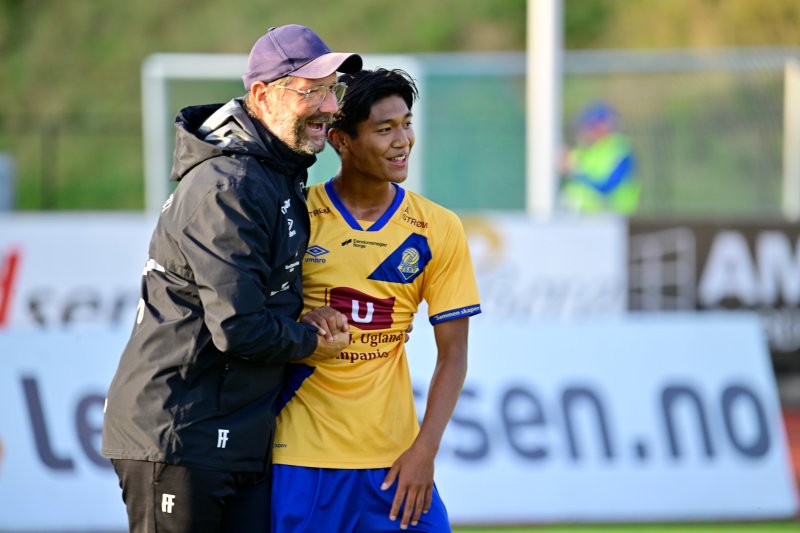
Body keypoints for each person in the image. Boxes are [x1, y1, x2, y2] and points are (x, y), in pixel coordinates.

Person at [100, 24, 361, 533]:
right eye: (313, 92)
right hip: (180, 434)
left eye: (334, 90)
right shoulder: (230, 186)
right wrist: (311, 340)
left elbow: (251, 304)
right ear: (262, 95)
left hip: (231, 434)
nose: (330, 107)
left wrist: (303, 317)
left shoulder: (274, 173)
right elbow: (238, 326)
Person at [270, 68, 482, 532]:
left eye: (406, 124)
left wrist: (424, 452)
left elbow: (454, 355)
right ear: (341, 140)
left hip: (396, 464)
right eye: (384, 129)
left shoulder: (438, 228)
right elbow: (255, 319)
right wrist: (304, 318)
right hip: (302, 460)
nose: (402, 140)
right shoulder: (297, 214)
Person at [560, 101, 640, 215]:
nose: (587, 131)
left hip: (612, 220)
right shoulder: (585, 151)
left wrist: (576, 171)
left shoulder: (620, 151)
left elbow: (607, 187)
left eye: (592, 126)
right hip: (580, 219)